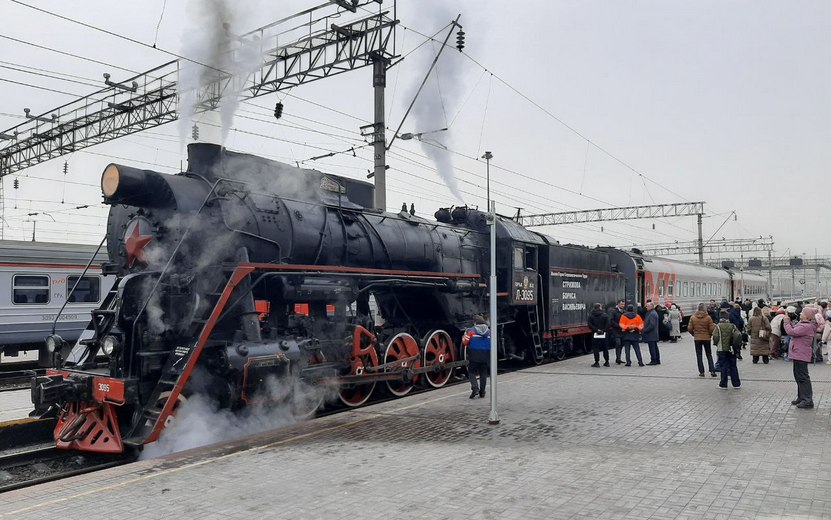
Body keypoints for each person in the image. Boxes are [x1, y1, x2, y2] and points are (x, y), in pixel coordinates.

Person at [784, 308, 816, 409]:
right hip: (798, 353)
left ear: (807, 316)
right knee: (798, 377)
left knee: (803, 377)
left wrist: (786, 321)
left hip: (801, 354)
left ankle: (807, 400)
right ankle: (801, 397)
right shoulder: (803, 324)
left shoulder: (806, 326)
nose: (800, 313)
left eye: (802, 312)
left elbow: (791, 331)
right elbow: (794, 329)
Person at [462, 315, 490, 399]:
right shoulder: (489, 331)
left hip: (474, 354)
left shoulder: (471, 331)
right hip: (486, 355)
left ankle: (475, 389)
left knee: (471, 372)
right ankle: (482, 392)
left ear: (475, 323)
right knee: (483, 373)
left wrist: (464, 336)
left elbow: (465, 342)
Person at [713, 310, 742, 389]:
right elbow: (738, 335)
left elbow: (715, 336)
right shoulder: (732, 326)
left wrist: (716, 343)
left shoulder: (718, 326)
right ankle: (736, 384)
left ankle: (723, 384)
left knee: (723, 366)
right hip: (732, 349)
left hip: (722, 349)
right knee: (733, 366)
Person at [689, 303, 717, 377]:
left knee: (699, 355)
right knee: (709, 354)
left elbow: (689, 328)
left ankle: (701, 372)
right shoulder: (708, 317)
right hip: (706, 338)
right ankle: (712, 371)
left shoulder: (693, 317)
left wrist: (693, 334)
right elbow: (711, 328)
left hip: (697, 338)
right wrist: (710, 334)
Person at [587, 303, 611, 367]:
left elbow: (589, 324)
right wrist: (603, 330)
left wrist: (596, 330)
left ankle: (597, 362)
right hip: (604, 334)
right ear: (600, 307)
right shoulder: (605, 315)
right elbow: (608, 324)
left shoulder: (591, 315)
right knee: (605, 348)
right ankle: (607, 362)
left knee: (596, 348)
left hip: (595, 334)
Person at [610, 299, 626, 364]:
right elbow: (611, 320)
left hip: (623, 331)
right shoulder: (614, 312)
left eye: (624, 304)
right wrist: (618, 326)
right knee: (618, 343)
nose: (623, 305)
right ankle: (618, 358)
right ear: (618, 304)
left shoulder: (624, 312)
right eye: (621, 304)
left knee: (622, 344)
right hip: (616, 330)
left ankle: (618, 358)